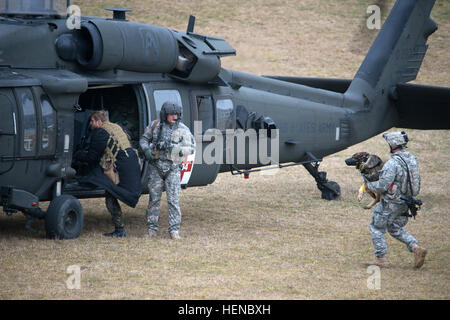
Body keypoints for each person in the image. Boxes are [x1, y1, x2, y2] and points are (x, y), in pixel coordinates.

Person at [74, 111, 142, 238]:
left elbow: (92, 157)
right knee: (111, 193)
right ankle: (119, 229)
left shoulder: (101, 132)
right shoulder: (116, 127)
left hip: (121, 168)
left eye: (92, 121)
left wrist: (77, 155)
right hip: (130, 163)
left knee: (110, 195)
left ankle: (119, 229)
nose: (90, 124)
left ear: (99, 122)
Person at [365, 131, 427, 268]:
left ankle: (380, 260)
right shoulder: (411, 159)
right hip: (407, 202)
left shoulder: (392, 163)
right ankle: (415, 248)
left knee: (376, 226)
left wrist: (368, 185)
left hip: (391, 202)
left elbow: (382, 186)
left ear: (392, 144)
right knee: (393, 227)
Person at [139, 102, 195, 240]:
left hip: (173, 168)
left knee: (173, 200)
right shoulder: (155, 125)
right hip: (156, 167)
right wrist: (146, 150)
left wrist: (177, 150)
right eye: (171, 114)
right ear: (165, 114)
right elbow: (143, 139)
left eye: (176, 114)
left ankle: (174, 230)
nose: (174, 117)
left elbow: (192, 148)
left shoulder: (183, 129)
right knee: (154, 199)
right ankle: (151, 229)